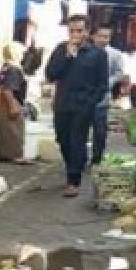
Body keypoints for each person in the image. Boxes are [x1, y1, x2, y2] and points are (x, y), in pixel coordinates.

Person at [45, 14, 108, 197]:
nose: (75, 34)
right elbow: (51, 74)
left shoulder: (98, 54)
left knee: (77, 141)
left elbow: (102, 84)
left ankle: (74, 180)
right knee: (63, 140)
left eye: (79, 31)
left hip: (83, 106)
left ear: (87, 32)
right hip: (63, 104)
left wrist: (91, 103)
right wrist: (67, 56)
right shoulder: (60, 50)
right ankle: (73, 167)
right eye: (72, 31)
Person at [0, 42, 31, 164]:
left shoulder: (5, 68)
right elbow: (8, 89)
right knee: (14, 131)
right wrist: (13, 106)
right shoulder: (14, 70)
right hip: (9, 102)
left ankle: (1, 154)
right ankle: (15, 156)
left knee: (2, 131)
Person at [91, 25, 125, 164]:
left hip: (102, 97)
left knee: (100, 130)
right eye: (101, 36)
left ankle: (97, 158)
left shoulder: (115, 54)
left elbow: (119, 72)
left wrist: (108, 81)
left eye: (107, 37)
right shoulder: (85, 51)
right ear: (93, 36)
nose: (104, 39)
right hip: (83, 97)